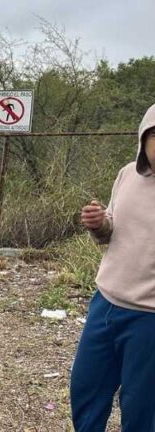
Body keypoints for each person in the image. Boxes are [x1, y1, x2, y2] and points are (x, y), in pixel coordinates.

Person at [72, 103, 155, 431]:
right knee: (86, 389)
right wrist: (99, 223)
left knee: (140, 407)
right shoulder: (127, 175)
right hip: (105, 303)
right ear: (143, 138)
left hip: (149, 319)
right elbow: (111, 231)